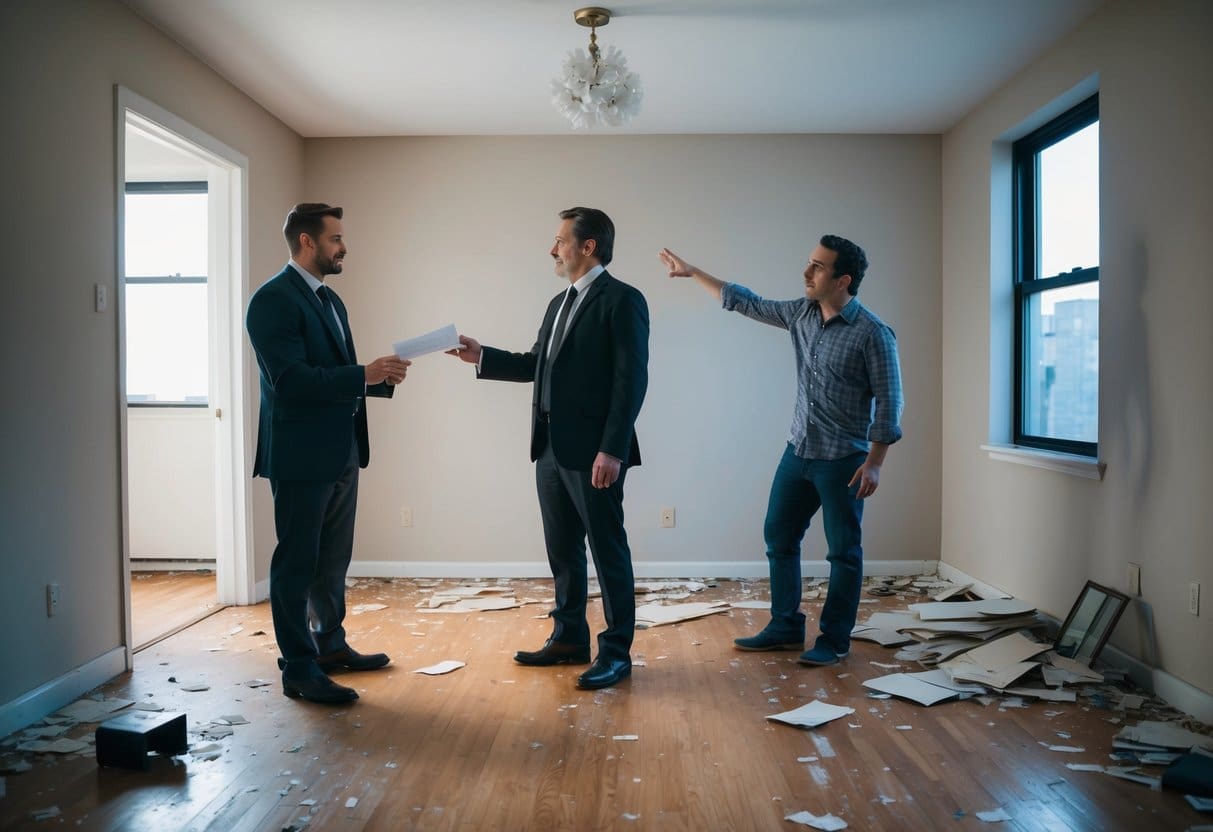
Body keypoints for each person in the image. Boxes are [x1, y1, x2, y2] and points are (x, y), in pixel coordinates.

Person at [658, 236, 903, 667]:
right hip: (798, 452)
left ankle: (834, 640)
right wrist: (693, 273)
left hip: (844, 461)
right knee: (780, 537)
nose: (806, 273)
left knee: (843, 553)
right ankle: (786, 627)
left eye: (818, 267)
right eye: (809, 263)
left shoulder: (873, 333)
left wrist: (875, 463)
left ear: (843, 280)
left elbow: (890, 400)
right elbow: (747, 302)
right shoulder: (801, 313)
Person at [450, 207, 649, 690]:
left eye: (560, 240)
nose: (552, 249)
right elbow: (537, 364)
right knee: (563, 550)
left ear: (588, 246)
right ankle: (568, 638)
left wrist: (612, 450)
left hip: (596, 453)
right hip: (550, 449)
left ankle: (616, 653)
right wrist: (482, 356)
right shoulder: (559, 302)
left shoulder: (623, 300)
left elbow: (631, 381)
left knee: (607, 550)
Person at [246, 203, 410, 704]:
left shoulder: (330, 300)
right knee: (296, 562)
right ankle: (298, 669)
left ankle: (330, 645)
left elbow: (334, 374)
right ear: (307, 241)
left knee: (332, 560)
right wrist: (363, 374)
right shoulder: (271, 300)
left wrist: (379, 380)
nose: (344, 247)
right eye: (336, 239)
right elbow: (291, 381)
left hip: (342, 450)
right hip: (300, 455)